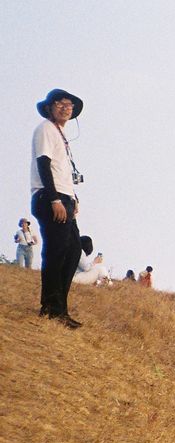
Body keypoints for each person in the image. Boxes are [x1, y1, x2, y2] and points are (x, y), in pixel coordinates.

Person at [30, 88, 86, 327]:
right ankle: (52, 307)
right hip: (50, 197)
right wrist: (54, 199)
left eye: (69, 105)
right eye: (60, 103)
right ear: (50, 107)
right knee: (56, 252)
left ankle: (58, 306)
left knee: (73, 251)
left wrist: (73, 199)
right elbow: (43, 164)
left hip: (65, 197)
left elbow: (62, 171)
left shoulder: (59, 134)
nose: (65, 107)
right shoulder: (45, 129)